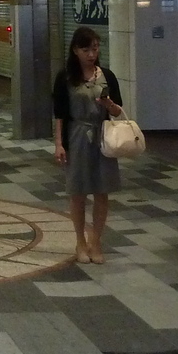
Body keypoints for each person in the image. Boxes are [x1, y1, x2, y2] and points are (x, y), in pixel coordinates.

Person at [53, 26, 123, 264]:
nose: (91, 54)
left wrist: (108, 104)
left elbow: (117, 110)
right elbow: (60, 113)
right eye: (86, 49)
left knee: (102, 191)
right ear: (75, 50)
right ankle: (80, 242)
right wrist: (59, 144)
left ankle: (96, 241)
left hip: (102, 135)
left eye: (94, 48)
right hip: (77, 135)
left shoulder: (107, 75)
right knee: (78, 191)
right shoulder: (65, 77)